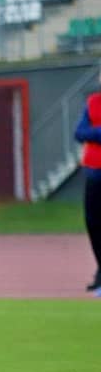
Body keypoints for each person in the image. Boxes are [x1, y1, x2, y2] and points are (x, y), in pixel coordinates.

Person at [74, 88, 101, 292]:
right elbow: (79, 132)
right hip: (94, 170)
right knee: (93, 222)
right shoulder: (93, 102)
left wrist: (94, 132)